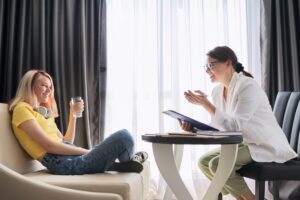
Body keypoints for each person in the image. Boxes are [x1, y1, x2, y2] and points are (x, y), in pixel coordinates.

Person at [179, 46, 297, 200]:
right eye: (205, 66)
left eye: (211, 65)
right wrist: (194, 129)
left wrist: (207, 105)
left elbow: (235, 127)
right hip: (244, 143)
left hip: (263, 143)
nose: (207, 71)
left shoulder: (248, 86)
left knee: (216, 164)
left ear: (228, 63)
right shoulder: (217, 92)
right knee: (204, 162)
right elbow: (221, 127)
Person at [9, 70, 148, 175]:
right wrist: (88, 152)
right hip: (60, 162)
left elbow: (66, 140)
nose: (49, 90)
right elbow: (49, 146)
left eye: (50, 87)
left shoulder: (44, 113)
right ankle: (127, 163)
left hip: (68, 157)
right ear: (30, 86)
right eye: (44, 86)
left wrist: (73, 114)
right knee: (124, 137)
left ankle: (125, 164)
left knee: (125, 141)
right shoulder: (22, 109)